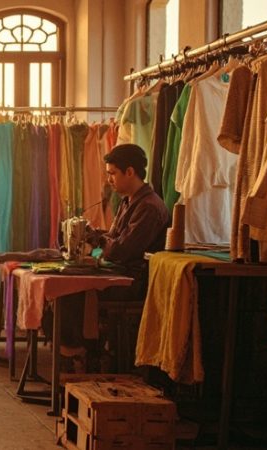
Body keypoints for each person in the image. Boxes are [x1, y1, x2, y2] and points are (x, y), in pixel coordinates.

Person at [52, 144, 169, 367]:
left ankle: (81, 355)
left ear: (130, 172)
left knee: (66, 295)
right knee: (61, 287)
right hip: (117, 272)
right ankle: (80, 353)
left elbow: (120, 251)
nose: (109, 180)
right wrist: (91, 247)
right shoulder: (128, 202)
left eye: (112, 173)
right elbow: (110, 245)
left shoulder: (150, 207)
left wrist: (95, 240)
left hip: (134, 282)